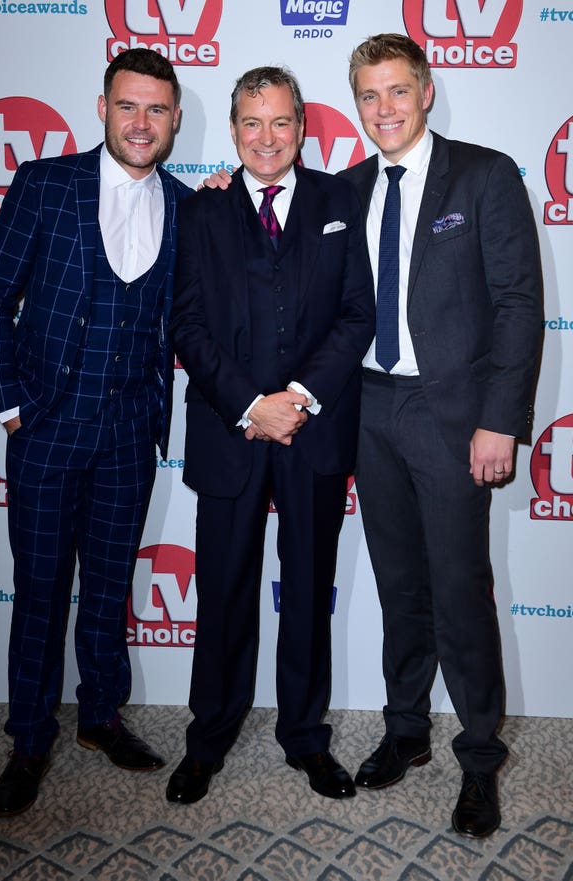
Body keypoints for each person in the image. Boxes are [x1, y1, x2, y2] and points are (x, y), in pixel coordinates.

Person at [0, 48, 192, 817]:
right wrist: (12, 406)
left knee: (106, 588)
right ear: (103, 108)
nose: (142, 122)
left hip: (131, 429)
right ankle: (28, 737)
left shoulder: (189, 203)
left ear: (174, 120)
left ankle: (100, 715)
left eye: (157, 110)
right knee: (39, 592)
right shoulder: (43, 183)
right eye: (128, 106)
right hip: (48, 427)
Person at [338, 34, 542, 837]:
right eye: (368, 95)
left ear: (426, 91)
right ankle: (406, 730)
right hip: (369, 409)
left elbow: (520, 304)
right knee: (400, 585)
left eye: (397, 91)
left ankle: (481, 757)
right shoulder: (346, 189)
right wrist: (219, 191)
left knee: (460, 589)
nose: (383, 109)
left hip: (454, 416)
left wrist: (501, 419)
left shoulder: (485, 175)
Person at [166, 66, 375, 804]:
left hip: (313, 427)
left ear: (301, 129)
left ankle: (305, 737)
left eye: (281, 122)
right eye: (251, 123)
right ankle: (209, 736)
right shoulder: (201, 210)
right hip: (231, 429)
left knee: (310, 586)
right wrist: (253, 403)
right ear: (232, 129)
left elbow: (357, 315)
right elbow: (185, 322)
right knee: (222, 586)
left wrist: (299, 397)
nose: (266, 137)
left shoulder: (338, 199)